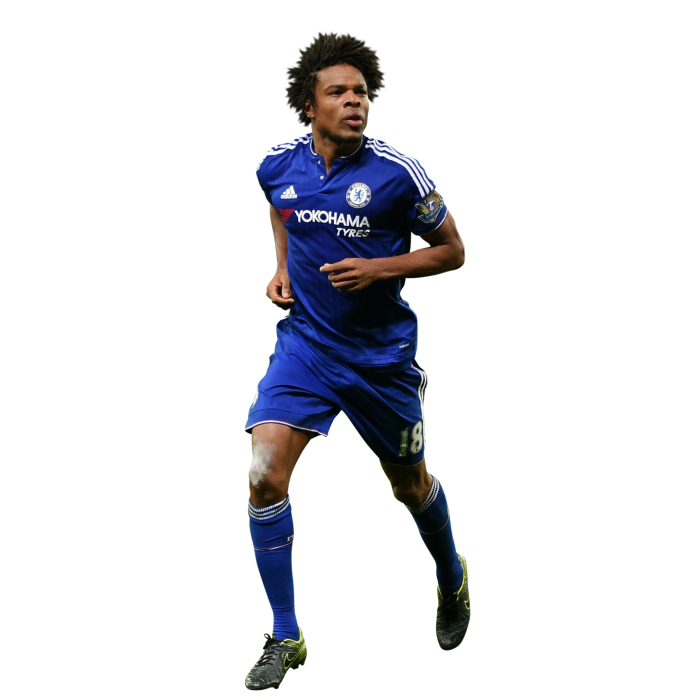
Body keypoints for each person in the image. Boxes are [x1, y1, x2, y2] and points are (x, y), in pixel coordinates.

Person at [245, 31, 469, 691]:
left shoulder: (398, 174)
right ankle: (286, 635)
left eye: (361, 93)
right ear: (309, 106)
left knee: (410, 488)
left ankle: (452, 578)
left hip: (380, 361)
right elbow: (280, 205)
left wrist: (382, 268)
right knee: (263, 478)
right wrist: (283, 268)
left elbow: (453, 251)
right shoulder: (277, 164)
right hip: (306, 346)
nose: (355, 102)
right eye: (339, 93)